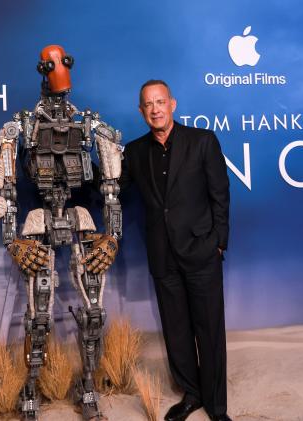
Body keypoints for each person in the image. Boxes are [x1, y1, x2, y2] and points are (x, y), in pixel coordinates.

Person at [119, 80, 231, 421]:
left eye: (160, 102)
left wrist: (218, 243)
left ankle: (216, 406)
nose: (155, 109)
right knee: (177, 330)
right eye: (148, 104)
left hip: (201, 252)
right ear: (141, 111)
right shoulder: (135, 152)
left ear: (172, 104)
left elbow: (220, 196)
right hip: (163, 256)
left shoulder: (202, 141)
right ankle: (191, 395)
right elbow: (112, 187)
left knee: (209, 331)